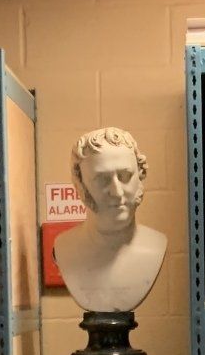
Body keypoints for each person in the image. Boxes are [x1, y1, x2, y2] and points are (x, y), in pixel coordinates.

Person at [54, 126, 167, 314]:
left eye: (125, 176)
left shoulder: (156, 245)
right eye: (102, 179)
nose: (117, 192)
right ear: (80, 184)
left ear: (140, 176)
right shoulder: (64, 247)